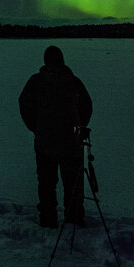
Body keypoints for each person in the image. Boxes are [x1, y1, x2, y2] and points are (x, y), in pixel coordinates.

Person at [18, 45, 93, 228]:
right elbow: (87, 106)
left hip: (45, 144)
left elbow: (24, 103)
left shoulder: (36, 81)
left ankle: (48, 218)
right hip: (70, 144)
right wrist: (79, 128)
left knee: (46, 183)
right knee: (71, 183)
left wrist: (35, 128)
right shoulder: (73, 81)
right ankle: (74, 217)